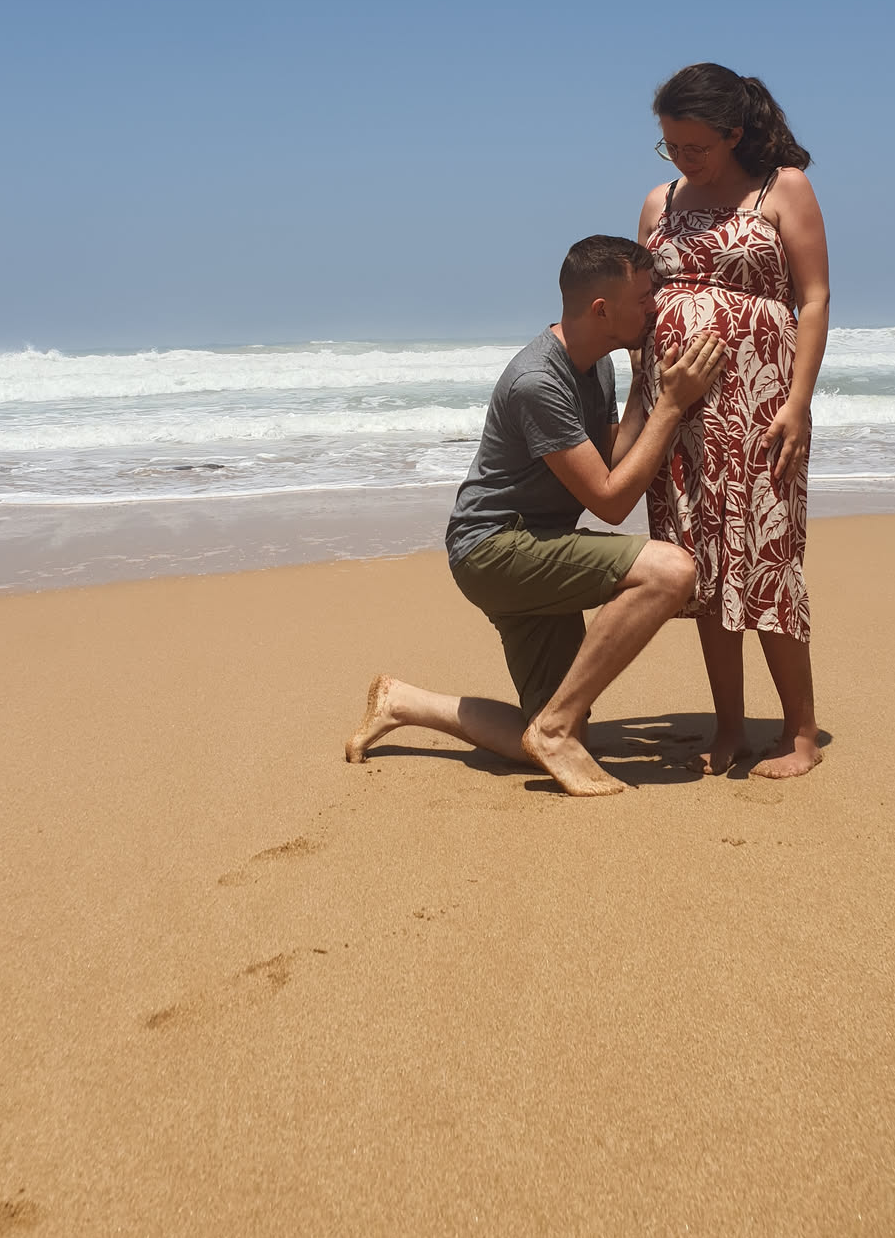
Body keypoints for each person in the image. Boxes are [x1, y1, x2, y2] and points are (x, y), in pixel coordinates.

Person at [345, 235, 726, 797]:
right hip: (495, 548)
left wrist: (645, 388)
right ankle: (555, 729)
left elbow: (608, 463)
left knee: (554, 730)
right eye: (645, 297)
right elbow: (611, 502)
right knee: (671, 572)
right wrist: (671, 406)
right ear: (602, 310)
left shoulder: (597, 365)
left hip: (535, 542)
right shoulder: (537, 382)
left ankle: (403, 702)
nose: (655, 306)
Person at [637, 63, 830, 779]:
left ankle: (800, 732)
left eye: (696, 146)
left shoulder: (783, 188)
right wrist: (639, 412)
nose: (682, 159)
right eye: (671, 146)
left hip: (761, 411)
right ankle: (729, 728)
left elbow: (814, 298)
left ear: (734, 133)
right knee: (703, 569)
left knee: (769, 560)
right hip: (679, 416)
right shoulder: (659, 201)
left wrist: (798, 403)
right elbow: (638, 310)